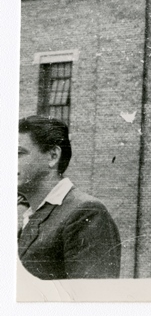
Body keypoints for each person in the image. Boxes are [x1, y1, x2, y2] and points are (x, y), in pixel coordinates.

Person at [18, 115, 121, 279]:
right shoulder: (24, 213)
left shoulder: (86, 212)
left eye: (18, 152)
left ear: (53, 156)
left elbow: (92, 298)